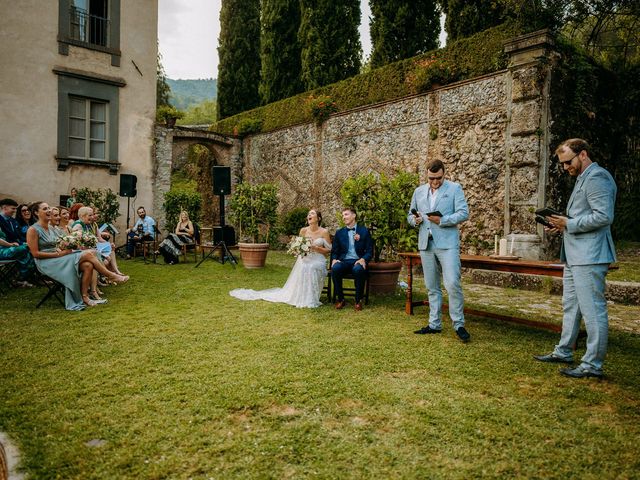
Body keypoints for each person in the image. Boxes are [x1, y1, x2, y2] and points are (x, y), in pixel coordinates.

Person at [534, 139, 617, 379]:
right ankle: (563, 351)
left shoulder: (597, 177)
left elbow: (604, 216)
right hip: (574, 255)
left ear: (583, 155)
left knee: (593, 310)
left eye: (568, 162)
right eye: (562, 164)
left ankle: (592, 364)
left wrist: (569, 223)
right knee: (571, 306)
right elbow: (584, 216)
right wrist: (562, 226)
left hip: (590, 256)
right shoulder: (582, 178)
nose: (565, 167)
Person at [408, 159, 470, 342]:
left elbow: (463, 213)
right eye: (431, 178)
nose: (435, 182)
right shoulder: (418, 191)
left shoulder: (454, 188)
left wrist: (442, 220)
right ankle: (434, 324)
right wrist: (415, 220)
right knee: (431, 286)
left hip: (448, 244)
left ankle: (458, 324)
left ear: (444, 173)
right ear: (426, 175)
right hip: (425, 243)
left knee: (452, 284)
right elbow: (410, 216)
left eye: (438, 178)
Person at [27, 202, 128, 310]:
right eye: (45, 209)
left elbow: (61, 243)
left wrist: (68, 244)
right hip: (47, 262)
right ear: (36, 213)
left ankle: (85, 297)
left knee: (88, 265)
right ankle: (110, 275)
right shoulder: (33, 230)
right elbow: (35, 254)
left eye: (48, 208)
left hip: (60, 256)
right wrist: (59, 254)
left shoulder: (52, 228)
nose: (49, 211)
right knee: (89, 253)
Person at [230, 209, 332, 308]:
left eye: (312, 213)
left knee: (311, 267)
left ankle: (311, 297)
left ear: (318, 218)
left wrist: (316, 248)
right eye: (308, 214)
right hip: (305, 258)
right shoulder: (303, 230)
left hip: (318, 259)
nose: (309, 215)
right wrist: (299, 251)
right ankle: (302, 296)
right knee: (303, 264)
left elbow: (328, 250)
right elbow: (298, 246)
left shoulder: (324, 232)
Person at [330, 207, 373, 311]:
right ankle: (341, 299)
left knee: (358, 270)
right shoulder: (339, 232)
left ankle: (358, 300)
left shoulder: (364, 231)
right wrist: (334, 259)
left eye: (346, 214)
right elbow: (335, 250)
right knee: (335, 268)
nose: (344, 217)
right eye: (343, 215)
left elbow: (369, 251)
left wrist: (363, 259)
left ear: (354, 215)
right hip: (344, 261)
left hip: (358, 260)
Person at [0, 223, 35, 287]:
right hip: (2, 251)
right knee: (25, 248)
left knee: (25, 254)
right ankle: (22, 278)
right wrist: (10, 244)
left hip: (5, 249)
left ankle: (21, 278)